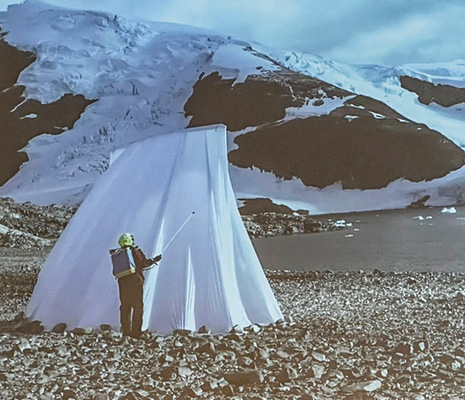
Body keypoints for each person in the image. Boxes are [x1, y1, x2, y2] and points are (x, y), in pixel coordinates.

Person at [116, 233, 162, 338]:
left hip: (122, 284)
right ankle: (136, 332)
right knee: (137, 307)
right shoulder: (135, 251)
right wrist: (155, 260)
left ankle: (126, 332)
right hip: (135, 283)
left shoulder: (119, 254)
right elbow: (144, 263)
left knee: (125, 307)